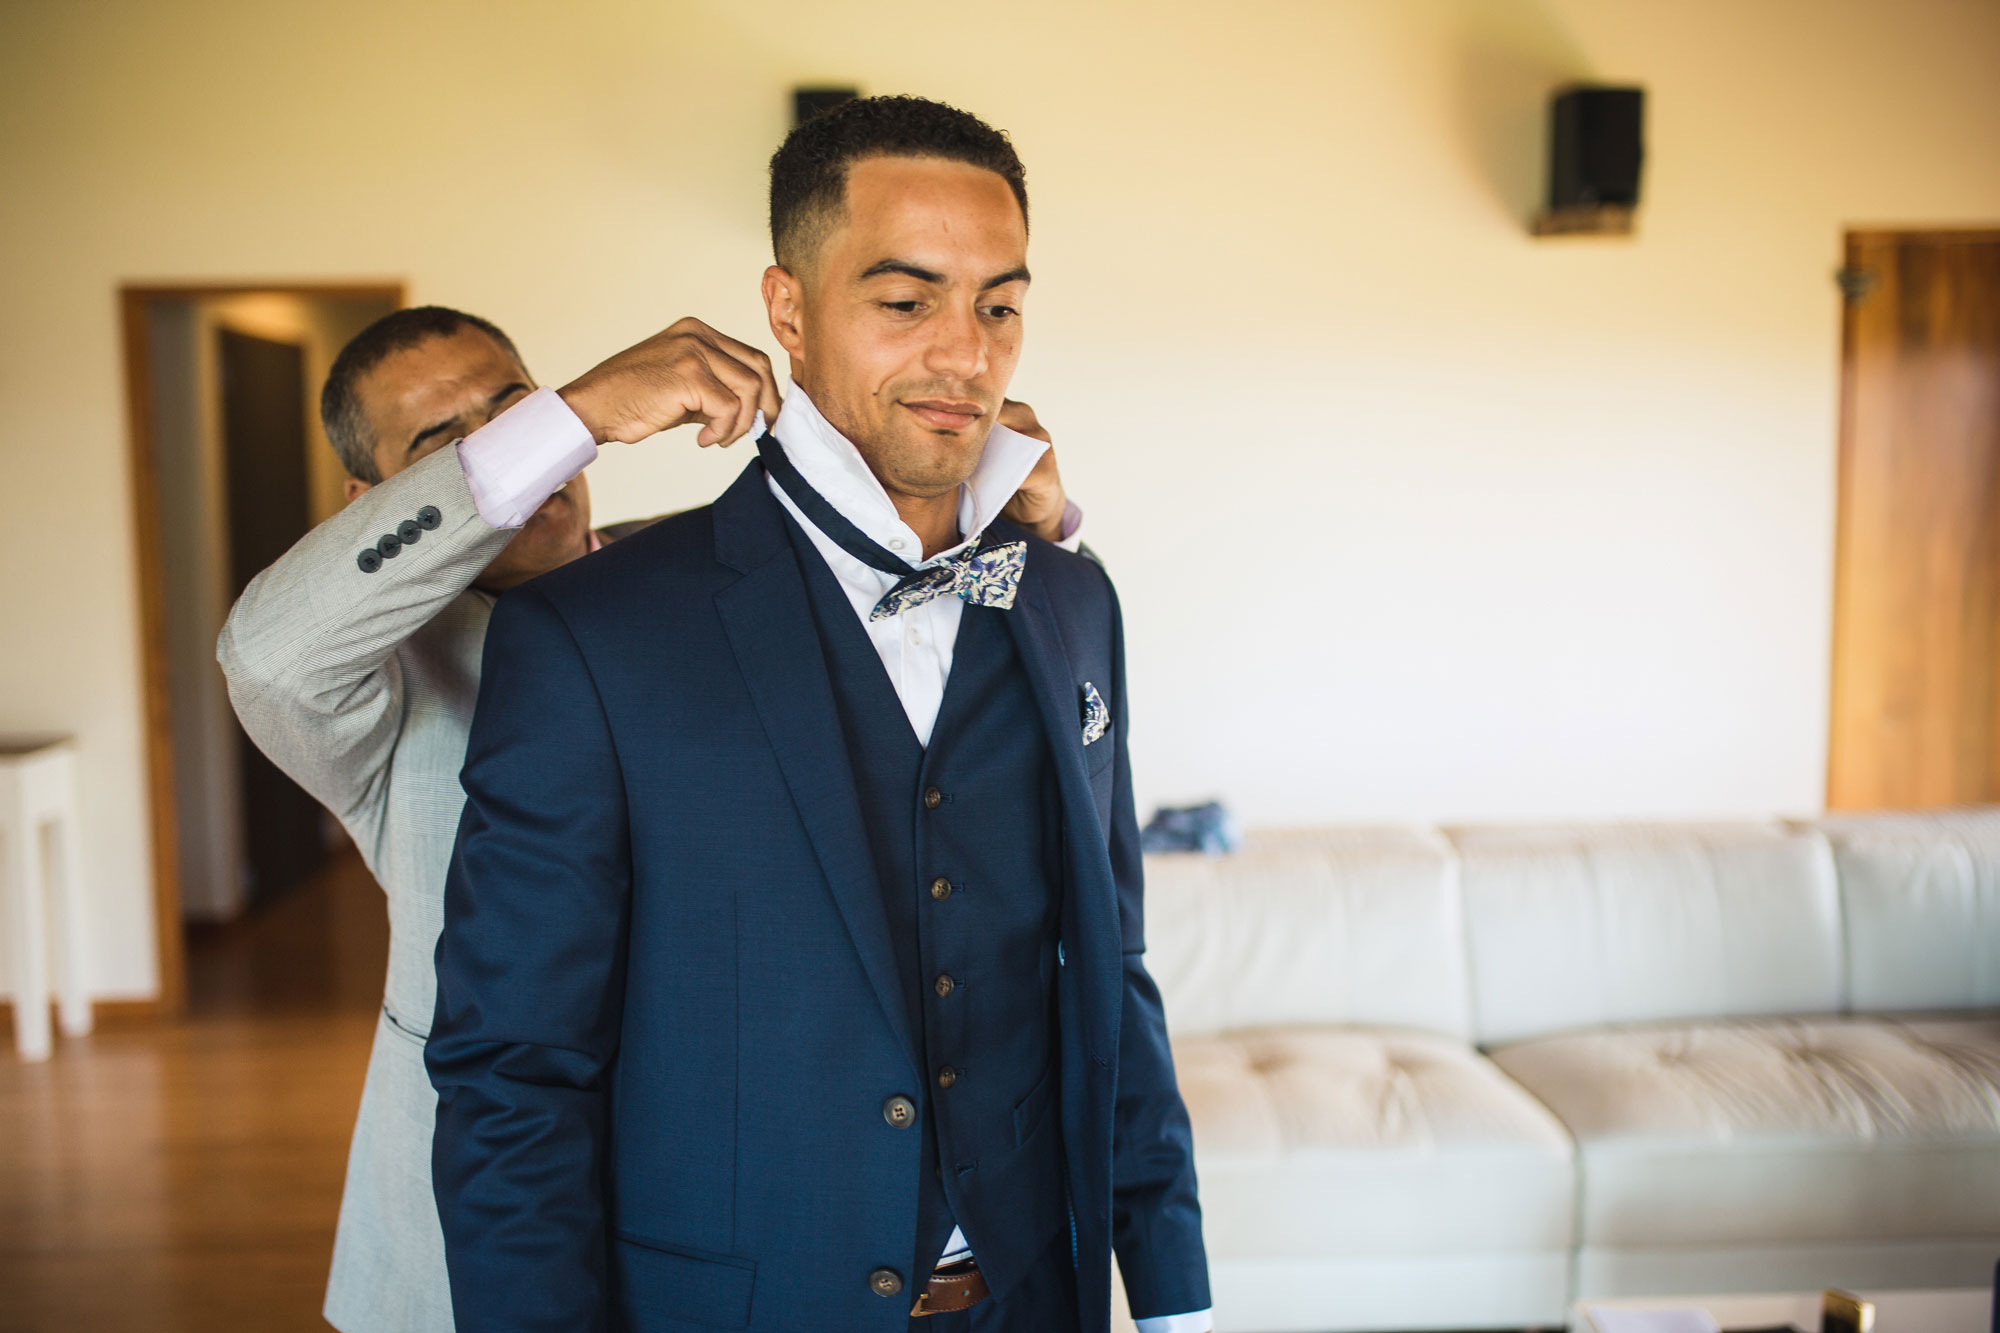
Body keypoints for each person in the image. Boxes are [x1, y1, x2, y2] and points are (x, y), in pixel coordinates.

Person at [427, 95, 1209, 1333]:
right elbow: (515, 1074)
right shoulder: (593, 634)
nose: (965, 354)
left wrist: (1171, 1301)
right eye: (905, 302)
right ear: (787, 310)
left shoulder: (1070, 599)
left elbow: (1110, 977)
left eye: (998, 305)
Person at [217, 302, 1083, 1332]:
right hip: (497, 1208)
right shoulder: (373, 682)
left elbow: (929, 621)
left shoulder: (694, 576)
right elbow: (263, 654)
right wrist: (568, 417)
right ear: (369, 498)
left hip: (735, 1193)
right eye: (444, 442)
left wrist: (1035, 522)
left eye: (510, 408)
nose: (507, 452)